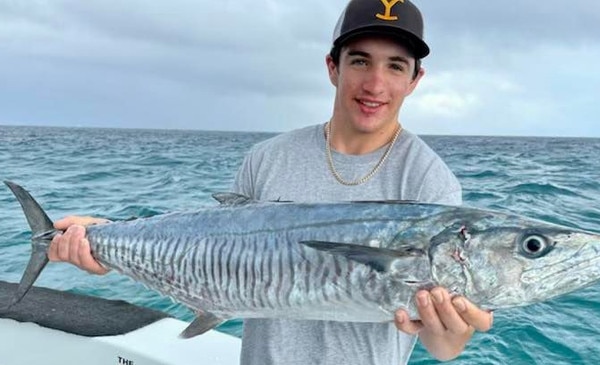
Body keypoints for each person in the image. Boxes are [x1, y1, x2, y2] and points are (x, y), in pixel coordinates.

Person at [49, 0, 493, 363]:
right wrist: (105, 244)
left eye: (396, 66)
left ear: (415, 80)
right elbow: (210, 256)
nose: (376, 83)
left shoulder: (428, 181)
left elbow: (446, 347)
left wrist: (449, 331)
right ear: (333, 67)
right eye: (360, 61)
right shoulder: (268, 158)